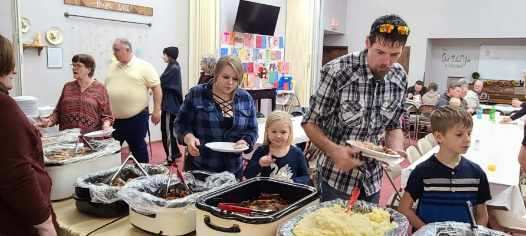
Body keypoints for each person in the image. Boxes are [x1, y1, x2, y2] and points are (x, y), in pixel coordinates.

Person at [302, 14, 409, 203]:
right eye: (380, 52)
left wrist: (396, 150)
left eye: (395, 55)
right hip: (336, 178)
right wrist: (335, 151)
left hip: (373, 179)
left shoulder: (399, 77)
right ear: (368, 42)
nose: (387, 62)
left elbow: (394, 125)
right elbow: (310, 122)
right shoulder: (338, 71)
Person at [0, 34, 57, 235]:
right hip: (15, 220)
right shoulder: (4, 105)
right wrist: (44, 222)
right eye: (8, 63)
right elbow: (16, 174)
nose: (14, 70)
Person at [399, 106, 491, 230]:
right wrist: (427, 230)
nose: (467, 139)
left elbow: (482, 215)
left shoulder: (477, 173)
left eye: (469, 133)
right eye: (459, 134)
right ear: (439, 137)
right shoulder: (422, 171)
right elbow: (404, 208)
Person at [176, 55, 258, 178]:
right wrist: (188, 138)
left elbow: (252, 130)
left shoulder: (245, 98)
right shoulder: (197, 94)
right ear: (216, 74)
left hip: (233, 171)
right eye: (225, 77)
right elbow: (181, 123)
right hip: (201, 168)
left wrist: (246, 141)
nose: (230, 82)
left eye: (235, 79)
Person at [105, 38, 162, 163]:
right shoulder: (112, 66)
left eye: (116, 50)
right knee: (110, 151)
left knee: (138, 149)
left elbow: (157, 89)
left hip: (136, 118)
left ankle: (143, 179)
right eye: (113, 50)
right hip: (114, 120)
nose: (114, 53)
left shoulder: (144, 66)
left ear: (127, 49)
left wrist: (157, 110)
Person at [37, 54, 113, 134]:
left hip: (90, 140)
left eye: (79, 65)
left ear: (89, 69)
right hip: (67, 139)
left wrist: (106, 125)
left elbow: (107, 115)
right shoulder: (67, 87)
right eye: (73, 65)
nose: (74, 68)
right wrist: (49, 121)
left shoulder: (100, 88)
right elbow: (58, 112)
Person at [244, 111, 309, 184]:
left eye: (283, 132)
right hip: (264, 194)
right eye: (274, 131)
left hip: (288, 194)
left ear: (289, 133)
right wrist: (259, 164)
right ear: (267, 131)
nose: (278, 136)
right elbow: (248, 175)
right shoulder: (261, 151)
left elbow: (305, 177)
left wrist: (293, 181)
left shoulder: (297, 154)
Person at [160, 47, 183, 165]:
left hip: (170, 106)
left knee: (167, 132)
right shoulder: (173, 66)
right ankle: (176, 152)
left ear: (169, 55)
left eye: (164, 54)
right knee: (169, 131)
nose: (163, 56)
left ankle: (170, 158)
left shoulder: (173, 68)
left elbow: (160, 80)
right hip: (170, 104)